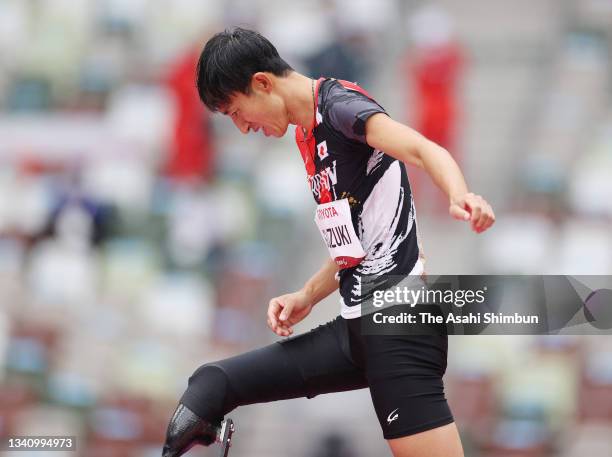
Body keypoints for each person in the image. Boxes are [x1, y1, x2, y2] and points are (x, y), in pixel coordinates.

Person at [161, 27, 495, 457]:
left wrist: (459, 193)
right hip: (357, 327)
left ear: (262, 83)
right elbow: (353, 244)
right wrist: (308, 295)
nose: (244, 128)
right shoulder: (307, 135)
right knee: (211, 384)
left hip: (396, 320)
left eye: (238, 113)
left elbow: (421, 148)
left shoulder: (340, 107)